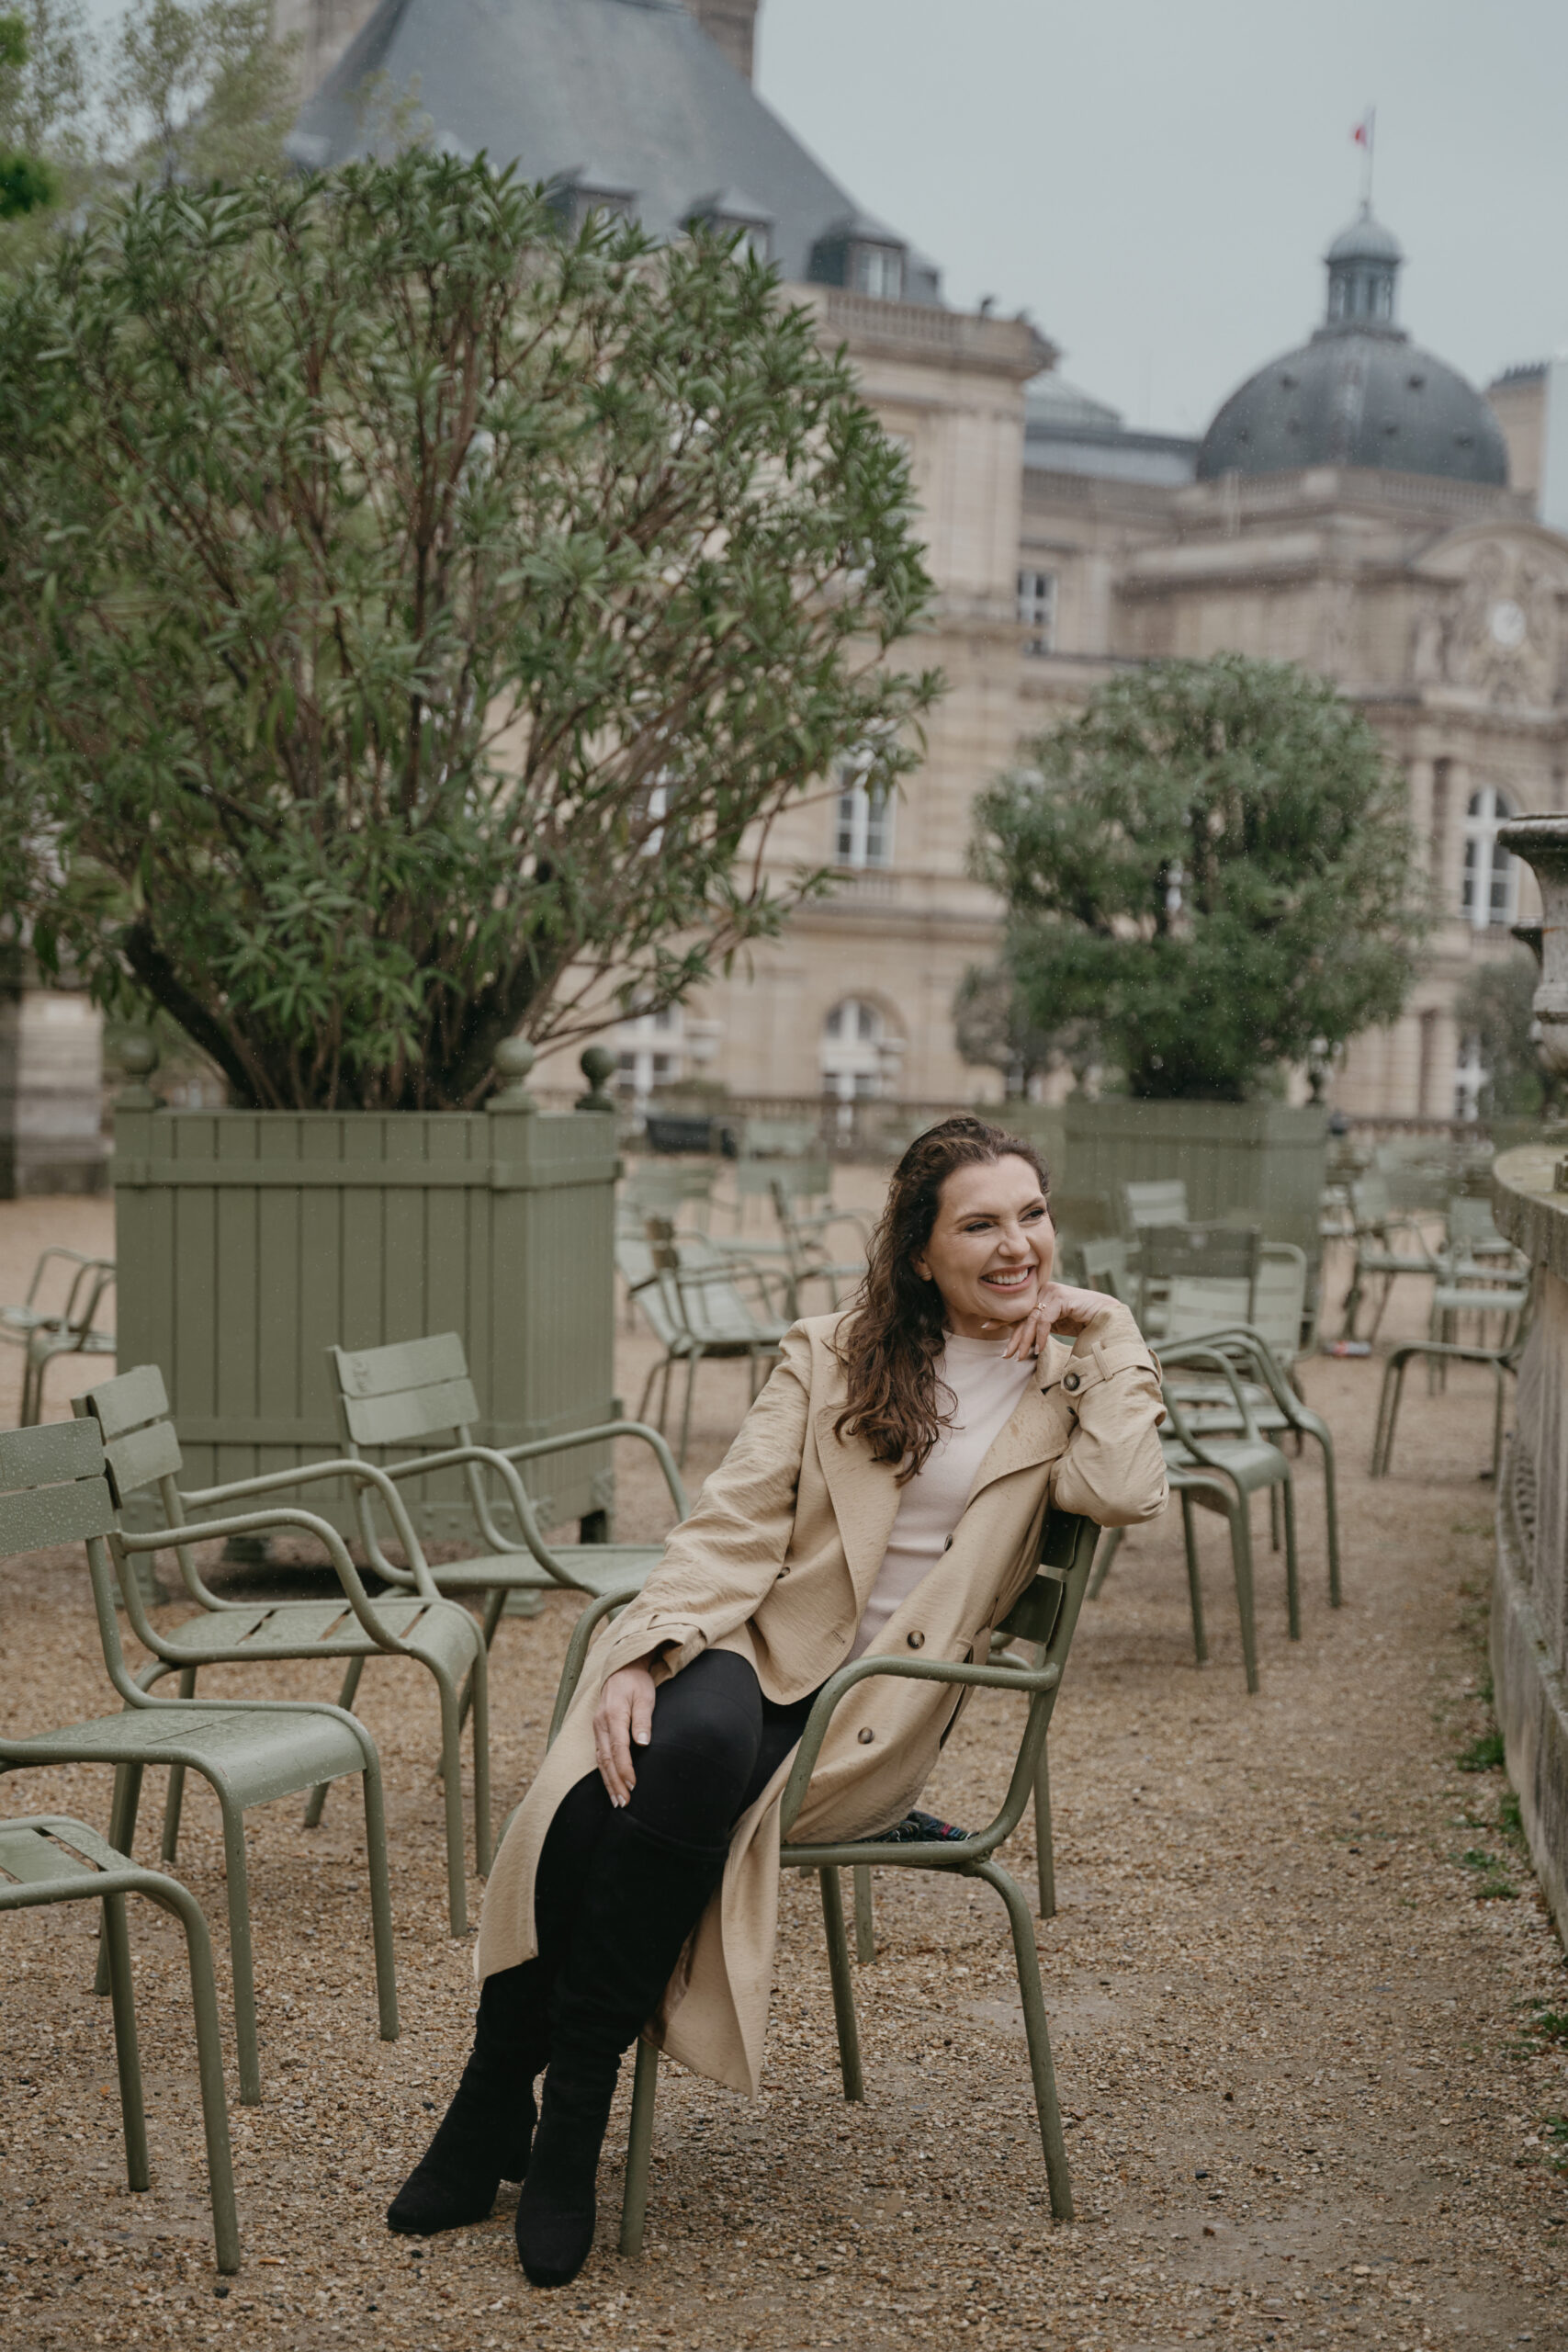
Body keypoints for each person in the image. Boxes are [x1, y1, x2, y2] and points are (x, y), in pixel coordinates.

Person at [388, 1114, 1168, 2287]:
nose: (1019, 1246)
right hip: (751, 1643)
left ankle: (503, 2098)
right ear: (919, 1250)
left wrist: (1114, 1331)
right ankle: (563, 2120)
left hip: (873, 1705)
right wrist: (647, 1651)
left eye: (1033, 1215)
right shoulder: (834, 1350)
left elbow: (1122, 1487)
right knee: (661, 1746)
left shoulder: (1071, 1375)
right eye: (981, 1223)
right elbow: (732, 1526)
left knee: (632, 1793)